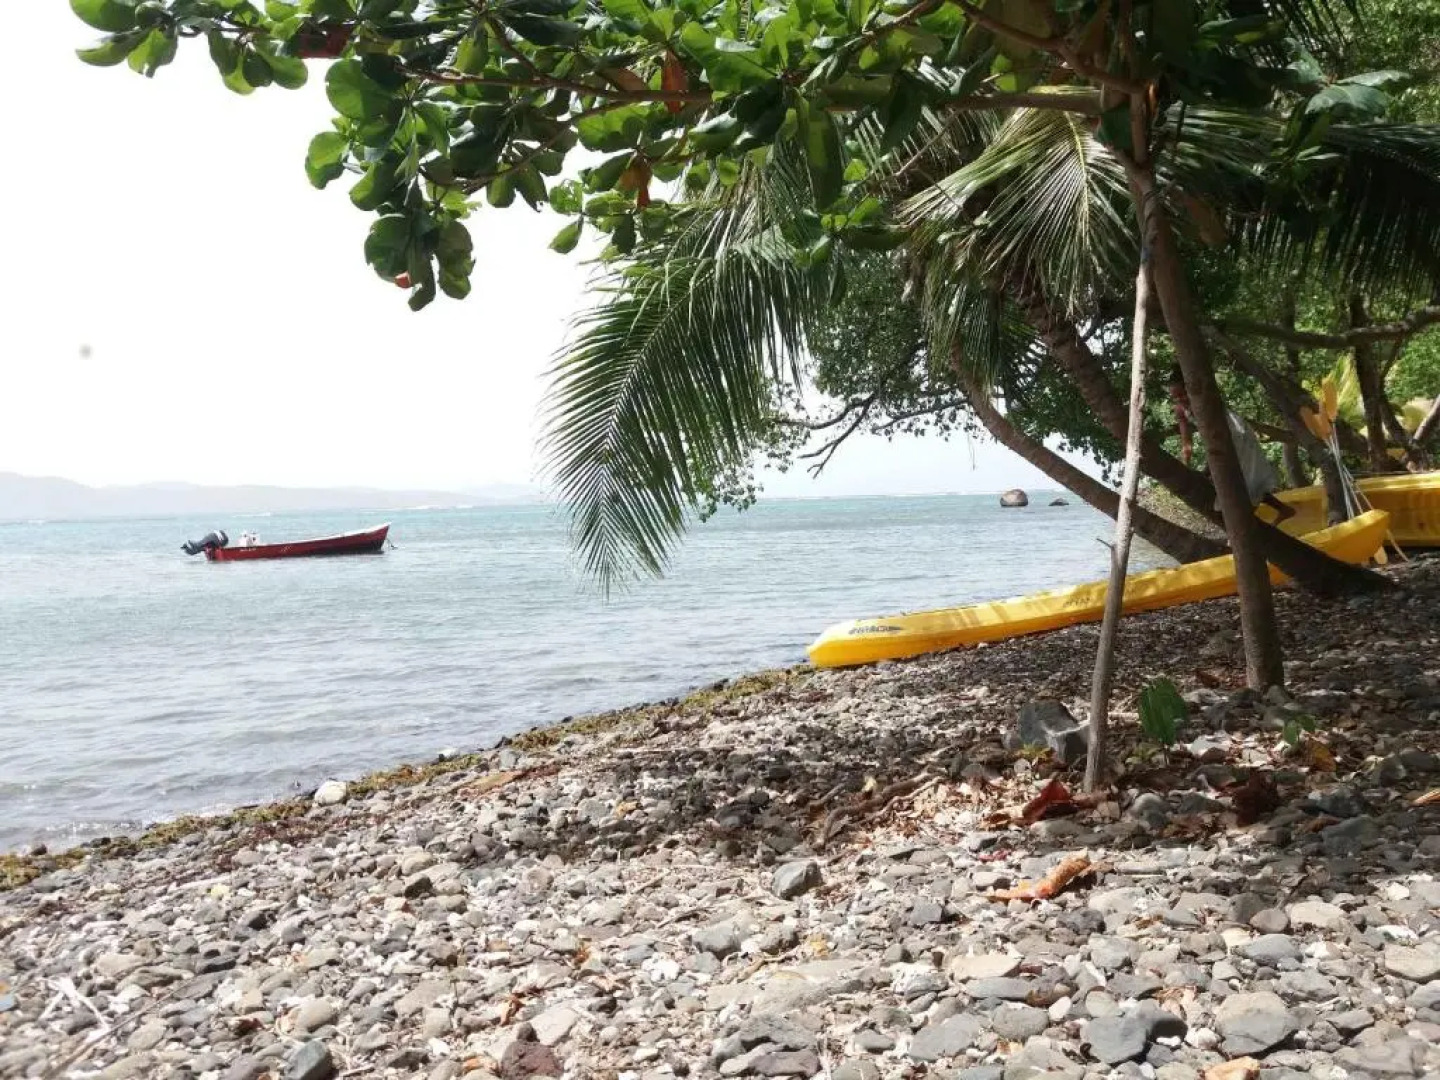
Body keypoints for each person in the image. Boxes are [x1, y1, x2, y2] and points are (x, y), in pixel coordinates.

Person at [1168, 368, 1296, 524]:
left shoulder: (1205, 399)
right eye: (1175, 397)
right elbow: (1186, 439)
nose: (1180, 399)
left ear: (1190, 388)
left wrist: (1208, 469)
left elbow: (1218, 439)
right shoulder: (1180, 410)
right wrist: (1186, 462)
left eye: (1182, 394)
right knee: (1242, 480)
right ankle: (1283, 510)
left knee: (1246, 477)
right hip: (1217, 439)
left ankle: (1245, 526)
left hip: (1234, 432)